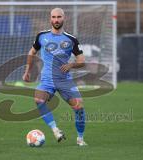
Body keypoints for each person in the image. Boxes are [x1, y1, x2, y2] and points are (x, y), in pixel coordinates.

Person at [22, 8, 87, 146]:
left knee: (79, 107)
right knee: (38, 99)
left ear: (64, 18)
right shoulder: (41, 36)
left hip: (65, 81)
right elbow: (32, 51)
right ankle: (55, 130)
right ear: (50, 18)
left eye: (59, 17)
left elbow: (82, 61)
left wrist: (71, 66)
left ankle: (80, 139)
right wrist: (27, 70)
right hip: (47, 80)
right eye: (53, 17)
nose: (56, 20)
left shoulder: (71, 39)